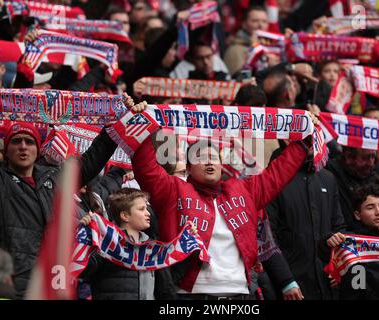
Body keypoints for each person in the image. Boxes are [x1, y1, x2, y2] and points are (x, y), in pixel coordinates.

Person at [130, 101, 318, 299]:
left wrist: (304, 140)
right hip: (190, 295)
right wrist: (142, 125)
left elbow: (278, 173)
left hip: (240, 295)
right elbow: (146, 168)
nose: (210, 161)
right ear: (188, 168)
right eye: (201, 157)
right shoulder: (173, 190)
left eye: (214, 157)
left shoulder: (244, 190)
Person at [0, 95, 136, 298]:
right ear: (7, 150)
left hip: (54, 283)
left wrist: (121, 119)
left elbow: (93, 158)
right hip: (13, 286)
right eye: (16, 141)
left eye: (29, 142)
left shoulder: (55, 180)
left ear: (37, 150)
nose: (23, 146)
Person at [266, 140, 346, 300]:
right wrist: (286, 281)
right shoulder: (272, 178)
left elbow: (339, 227)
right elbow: (267, 237)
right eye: (305, 136)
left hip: (326, 283)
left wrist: (338, 267)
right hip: (292, 286)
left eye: (313, 134)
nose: (311, 140)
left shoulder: (327, 178)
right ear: (288, 139)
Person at [325, 183, 379, 300]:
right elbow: (323, 248)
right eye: (370, 207)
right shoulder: (350, 243)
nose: (378, 212)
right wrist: (328, 240)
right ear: (357, 215)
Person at [80, 188, 158, 300]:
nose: (148, 213)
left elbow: (163, 287)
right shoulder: (106, 241)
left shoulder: (151, 245)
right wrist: (84, 237)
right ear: (125, 216)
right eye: (141, 209)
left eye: (146, 208)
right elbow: (84, 269)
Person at [224, 6, 268, 76]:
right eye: (255, 21)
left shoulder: (272, 49)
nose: (260, 25)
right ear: (244, 24)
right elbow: (242, 79)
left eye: (264, 21)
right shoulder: (235, 50)